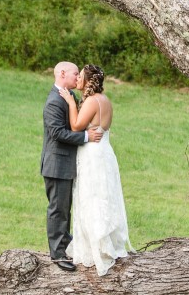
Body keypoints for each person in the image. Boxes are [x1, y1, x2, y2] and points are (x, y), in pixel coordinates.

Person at [57, 64, 132, 276]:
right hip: (105, 152)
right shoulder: (105, 101)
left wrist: (71, 102)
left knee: (91, 198)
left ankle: (96, 249)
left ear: (89, 80)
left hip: (92, 155)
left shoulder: (91, 101)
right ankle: (104, 243)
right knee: (103, 197)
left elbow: (75, 127)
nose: (77, 79)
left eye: (80, 76)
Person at [42, 61, 102, 272]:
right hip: (56, 164)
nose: (78, 78)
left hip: (67, 163)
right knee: (58, 210)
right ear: (62, 74)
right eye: (75, 74)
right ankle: (57, 255)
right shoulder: (53, 102)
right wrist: (86, 136)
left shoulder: (68, 97)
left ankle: (67, 246)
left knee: (65, 208)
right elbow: (57, 133)